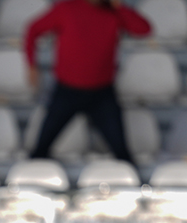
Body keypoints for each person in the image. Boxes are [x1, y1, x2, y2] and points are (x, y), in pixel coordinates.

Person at [24, 0, 151, 164]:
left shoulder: (114, 11)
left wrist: (119, 7)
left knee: (122, 154)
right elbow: (33, 29)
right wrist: (32, 66)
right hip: (66, 91)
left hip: (102, 94)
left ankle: (134, 185)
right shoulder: (67, 8)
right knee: (40, 151)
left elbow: (144, 29)